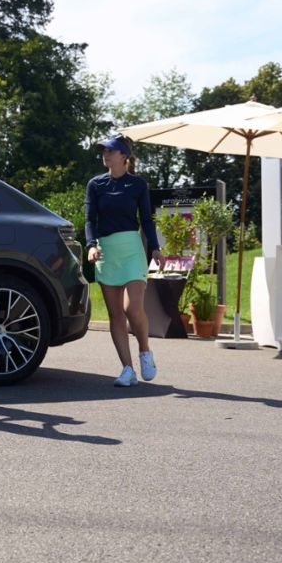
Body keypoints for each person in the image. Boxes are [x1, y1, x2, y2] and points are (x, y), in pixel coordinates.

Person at [84, 134, 164, 387]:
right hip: (106, 251)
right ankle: (127, 369)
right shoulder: (95, 184)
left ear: (124, 156)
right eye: (103, 151)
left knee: (132, 308)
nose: (105, 155)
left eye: (110, 151)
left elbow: (147, 220)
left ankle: (144, 351)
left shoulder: (138, 184)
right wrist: (91, 245)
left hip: (131, 250)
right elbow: (89, 220)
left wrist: (155, 248)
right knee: (115, 314)